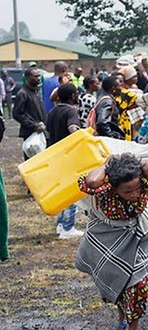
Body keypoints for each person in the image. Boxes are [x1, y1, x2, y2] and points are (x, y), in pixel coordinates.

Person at [77, 153, 148, 330]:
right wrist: (109, 167)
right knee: (118, 281)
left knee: (138, 284)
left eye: (136, 189)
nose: (134, 194)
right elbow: (91, 180)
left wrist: (134, 163)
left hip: (140, 236)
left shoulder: (143, 181)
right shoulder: (104, 189)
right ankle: (122, 317)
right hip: (108, 238)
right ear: (114, 187)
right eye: (127, 191)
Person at [47, 83, 84, 238]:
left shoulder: (52, 111)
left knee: (62, 192)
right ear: (73, 96)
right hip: (68, 157)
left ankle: (61, 225)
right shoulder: (71, 111)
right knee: (71, 192)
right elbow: (73, 129)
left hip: (54, 156)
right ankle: (68, 228)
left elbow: (48, 134)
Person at [13, 67, 46, 154]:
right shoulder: (22, 94)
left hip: (40, 131)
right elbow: (17, 114)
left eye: (39, 76)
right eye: (35, 76)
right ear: (27, 77)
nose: (38, 78)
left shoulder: (36, 92)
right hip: (30, 132)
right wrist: (34, 125)